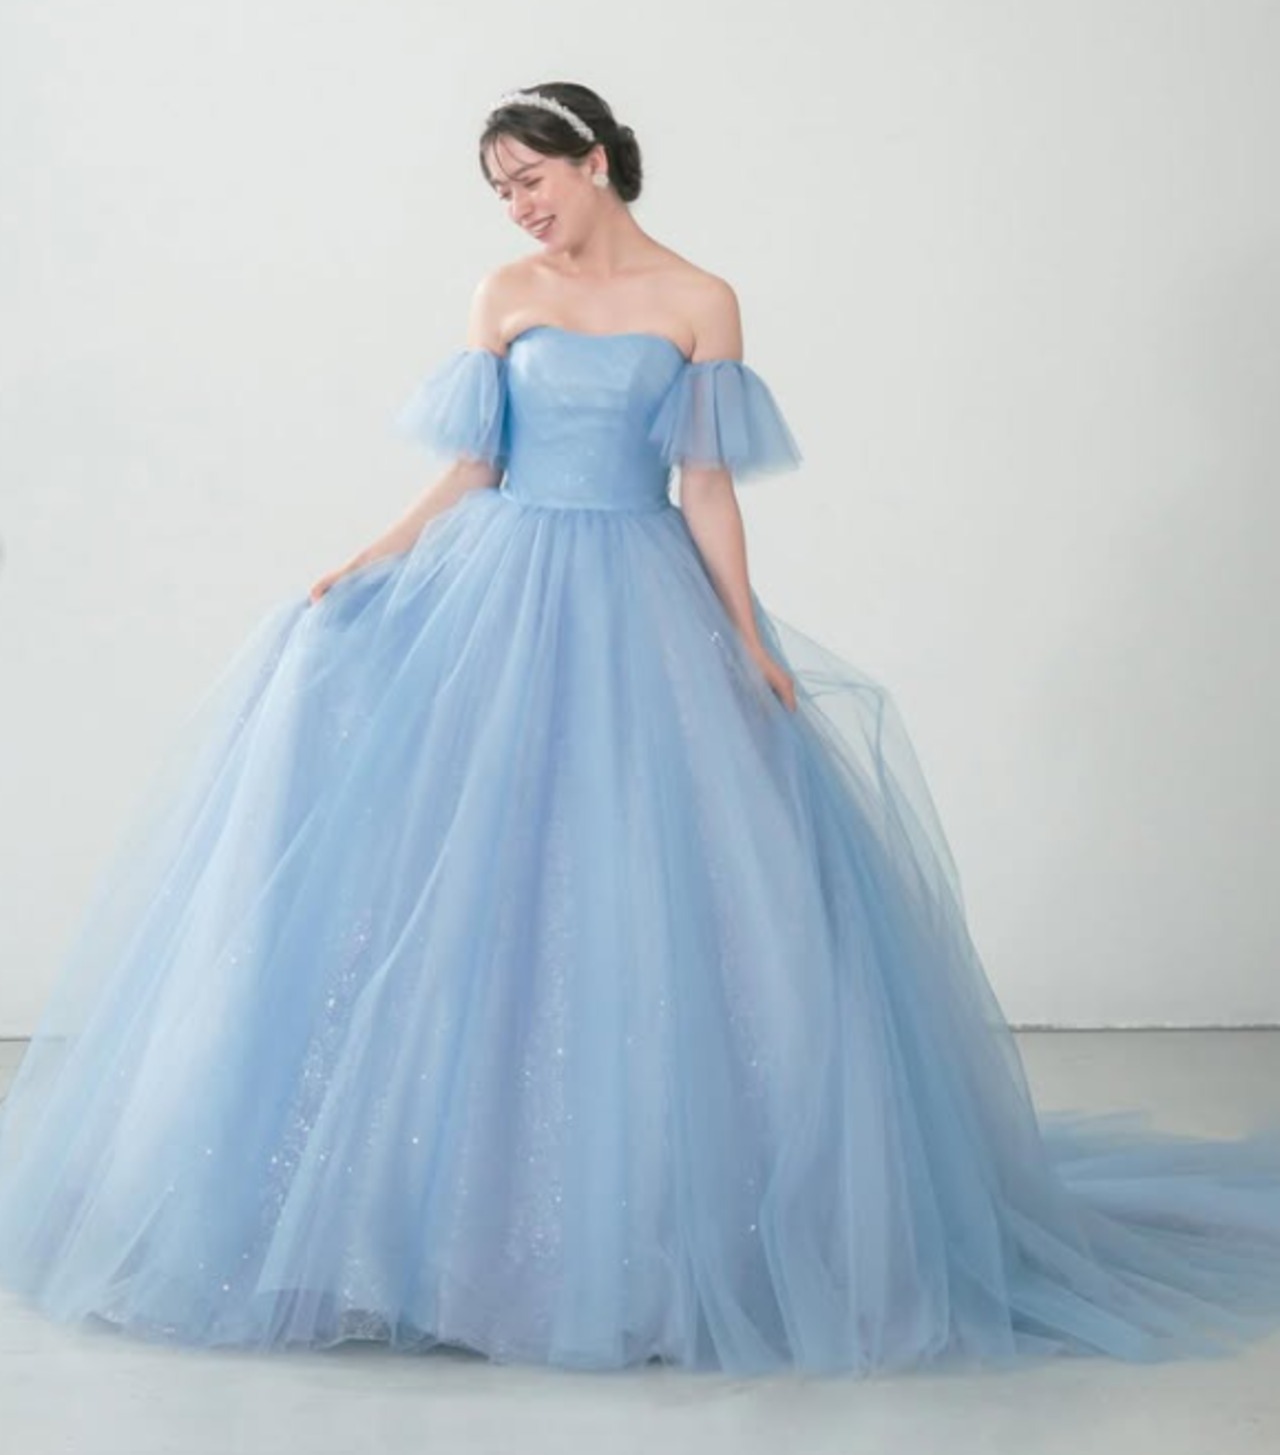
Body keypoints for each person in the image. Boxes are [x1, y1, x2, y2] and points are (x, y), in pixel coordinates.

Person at [2, 80, 1280, 1379]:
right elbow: (473, 470)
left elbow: (707, 488)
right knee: (471, 882)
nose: (518, 206)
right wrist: (373, 557)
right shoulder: (504, 295)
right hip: (500, 591)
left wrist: (746, 636)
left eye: (530, 179)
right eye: (500, 190)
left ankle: (641, 1228)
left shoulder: (699, 300)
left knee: (641, 888)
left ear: (596, 162)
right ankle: (429, 1229)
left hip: (640, 593)